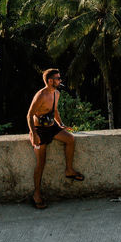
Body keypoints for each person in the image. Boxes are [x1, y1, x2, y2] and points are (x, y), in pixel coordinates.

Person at [26, 68, 83, 209]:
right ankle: (37, 194)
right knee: (41, 163)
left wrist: (61, 125)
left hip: (52, 127)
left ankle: (69, 170)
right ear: (50, 81)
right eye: (57, 78)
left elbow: (55, 111)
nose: (60, 80)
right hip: (40, 130)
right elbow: (29, 115)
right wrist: (34, 133)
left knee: (70, 139)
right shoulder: (41, 95)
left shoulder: (57, 93)